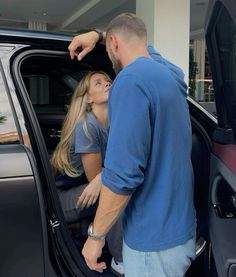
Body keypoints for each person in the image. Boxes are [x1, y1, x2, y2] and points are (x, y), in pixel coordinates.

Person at [68, 13, 196, 277]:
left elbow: (123, 175)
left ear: (113, 44)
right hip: (180, 231)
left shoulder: (129, 81)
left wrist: (95, 237)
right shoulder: (170, 74)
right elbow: (140, 44)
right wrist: (99, 35)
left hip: (152, 243)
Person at [50, 71, 124, 275]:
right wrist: (102, 176)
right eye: (98, 83)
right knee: (114, 190)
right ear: (89, 98)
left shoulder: (114, 123)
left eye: (108, 80)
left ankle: (89, 229)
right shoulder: (87, 126)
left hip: (83, 191)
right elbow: (98, 178)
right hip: (60, 201)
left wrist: (105, 175)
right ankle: (120, 261)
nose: (106, 83)